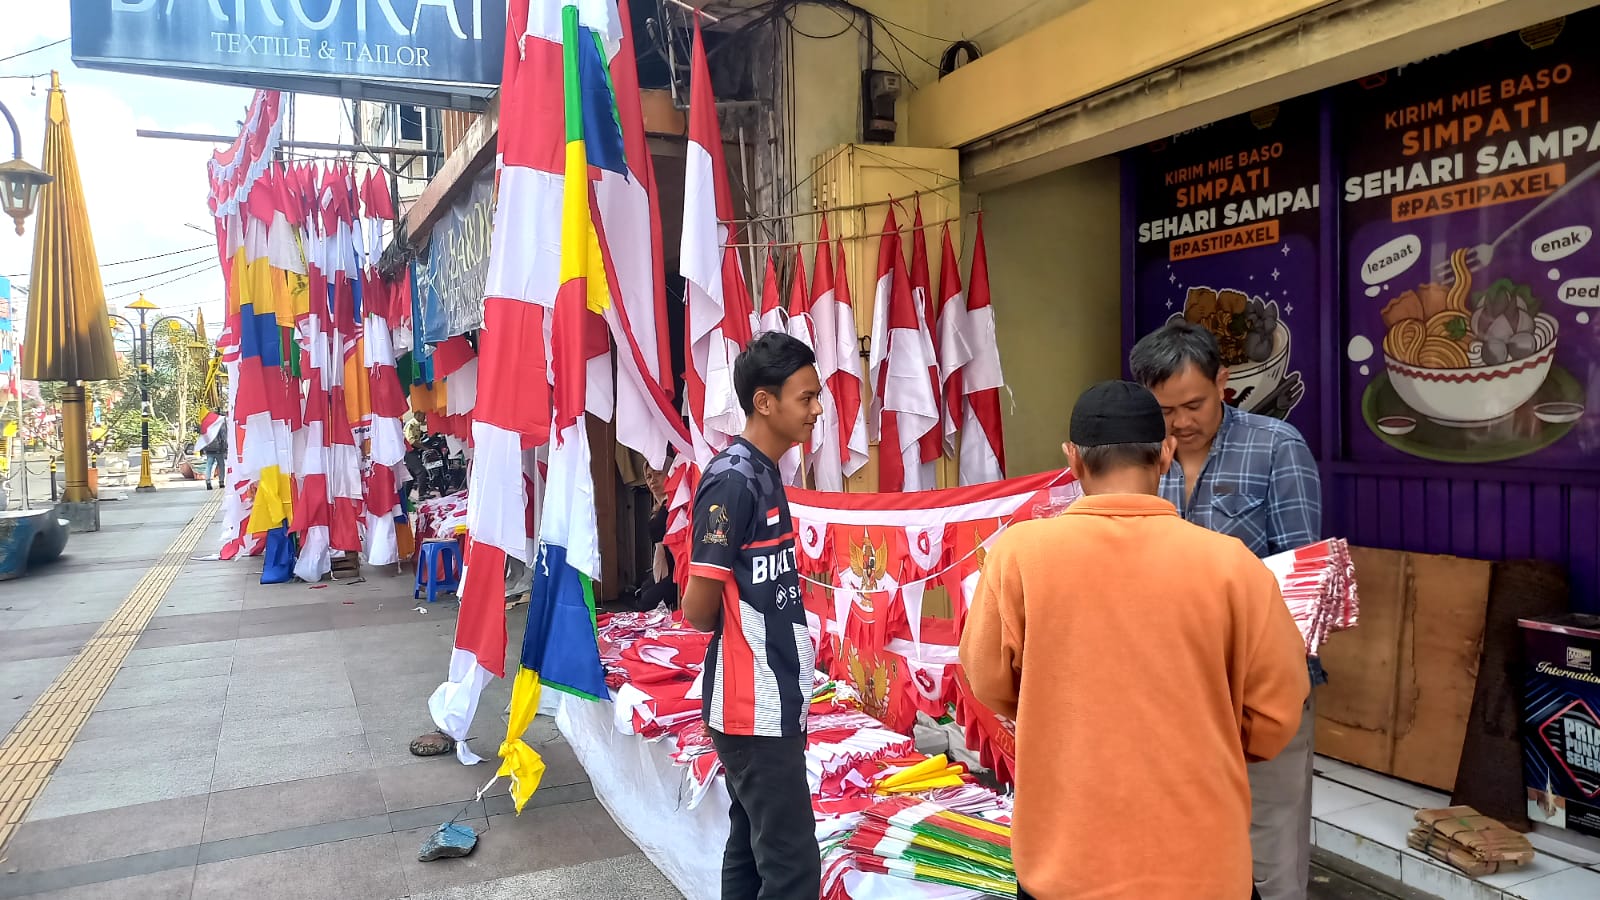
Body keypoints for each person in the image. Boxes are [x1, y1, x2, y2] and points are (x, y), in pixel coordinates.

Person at [959, 380, 1309, 900]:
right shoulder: (1232, 564)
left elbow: (988, 679)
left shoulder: (1019, 555)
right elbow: (1276, 714)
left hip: (1066, 866)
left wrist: (1057, 708)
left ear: (1073, 459)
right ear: (1166, 454)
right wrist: (1204, 732)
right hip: (1202, 870)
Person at [1129, 321, 1323, 900]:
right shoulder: (1141, 461)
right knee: (1185, 835)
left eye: (1194, 404)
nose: (1181, 423)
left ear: (1224, 381)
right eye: (1165, 411)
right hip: (1169, 686)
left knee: (1270, 839)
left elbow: (1300, 583)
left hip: (1259, 685)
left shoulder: (1276, 447)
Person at [681, 332, 823, 900]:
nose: (816, 410)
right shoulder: (733, 481)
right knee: (792, 870)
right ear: (764, 402)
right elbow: (698, 607)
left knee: (750, 850)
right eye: (806, 397)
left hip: (770, 698)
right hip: (752, 706)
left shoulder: (764, 471)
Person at [201, 413, 229, 491]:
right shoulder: (220, 424)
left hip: (209, 449)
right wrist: (225, 448)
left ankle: (208, 481)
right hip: (219, 449)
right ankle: (221, 482)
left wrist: (204, 448)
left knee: (209, 465)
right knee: (221, 465)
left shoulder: (207, 424)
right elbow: (223, 436)